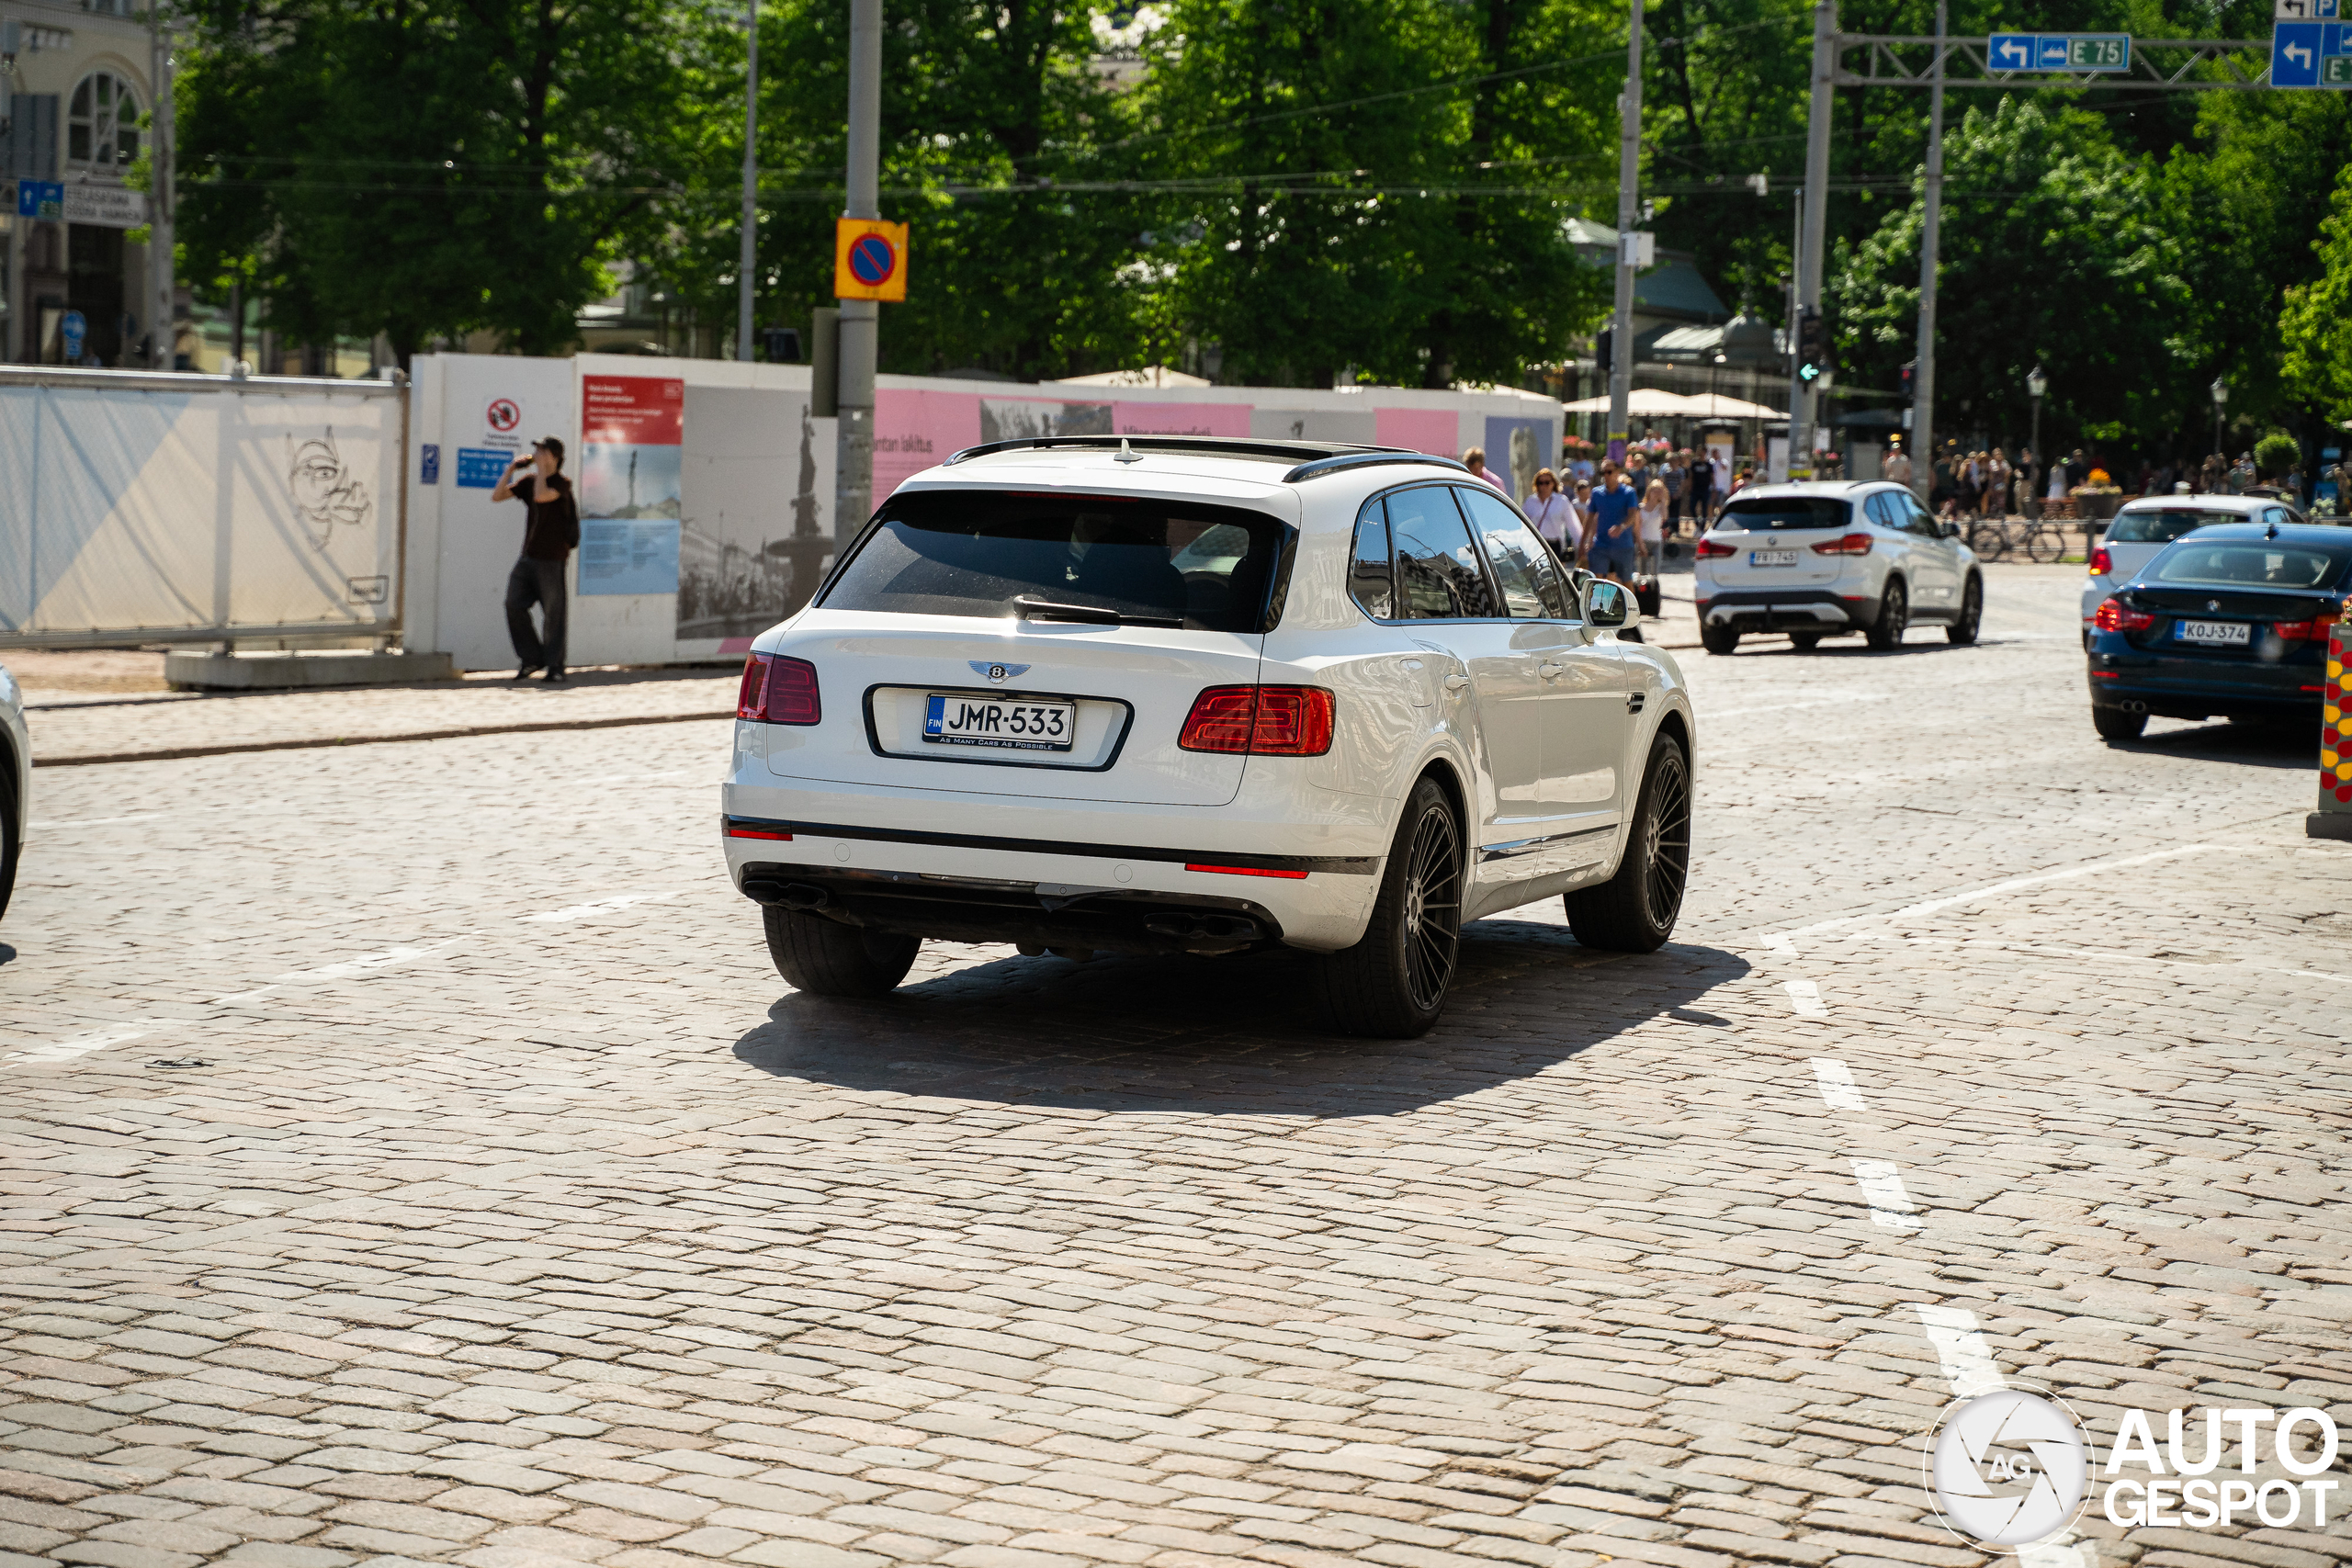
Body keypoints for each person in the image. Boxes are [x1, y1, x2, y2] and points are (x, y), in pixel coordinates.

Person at [491, 436, 581, 683]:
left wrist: (540, 470)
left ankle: (555, 667)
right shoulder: (530, 481)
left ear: (553, 456)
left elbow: (541, 496)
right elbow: (497, 496)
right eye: (536, 450)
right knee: (513, 604)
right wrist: (511, 469)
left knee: (554, 614)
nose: (536, 454)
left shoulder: (562, 484)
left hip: (552, 560)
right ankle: (531, 658)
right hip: (528, 559)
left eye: (541, 450)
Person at [1588, 465, 1640, 584]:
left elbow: (1633, 515)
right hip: (1601, 544)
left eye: (1609, 472)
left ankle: (1631, 603)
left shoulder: (1628, 492)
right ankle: (1597, 603)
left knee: (1626, 581)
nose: (1606, 475)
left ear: (1618, 472)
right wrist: (1585, 542)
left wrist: (1621, 527)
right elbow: (1590, 518)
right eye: (1603, 472)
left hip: (1623, 546)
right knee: (1597, 582)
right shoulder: (1596, 493)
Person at [1524, 468, 1580, 560]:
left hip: (1554, 544)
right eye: (1540, 483)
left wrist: (1580, 544)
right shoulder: (1530, 501)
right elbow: (1523, 524)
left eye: (1547, 482)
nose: (1544, 486)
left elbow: (1573, 524)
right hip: (1535, 543)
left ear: (1553, 483)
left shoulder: (1561, 501)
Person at [1636, 477, 1669, 575]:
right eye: (1654, 491)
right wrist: (1640, 543)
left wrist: (1663, 501)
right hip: (1643, 540)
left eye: (1659, 491)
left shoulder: (1661, 508)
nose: (1656, 493)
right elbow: (1637, 527)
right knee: (1642, 571)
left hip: (1656, 541)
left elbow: (1665, 517)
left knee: (1654, 571)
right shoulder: (1641, 508)